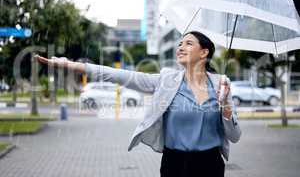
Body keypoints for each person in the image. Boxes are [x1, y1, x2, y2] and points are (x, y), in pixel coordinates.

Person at [35, 31, 241, 177]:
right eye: (179, 43)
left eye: (188, 43)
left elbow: (234, 136)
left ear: (204, 53)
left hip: (210, 165)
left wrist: (226, 107)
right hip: (175, 164)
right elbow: (119, 75)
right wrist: (69, 64)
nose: (180, 47)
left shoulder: (222, 85)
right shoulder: (166, 80)